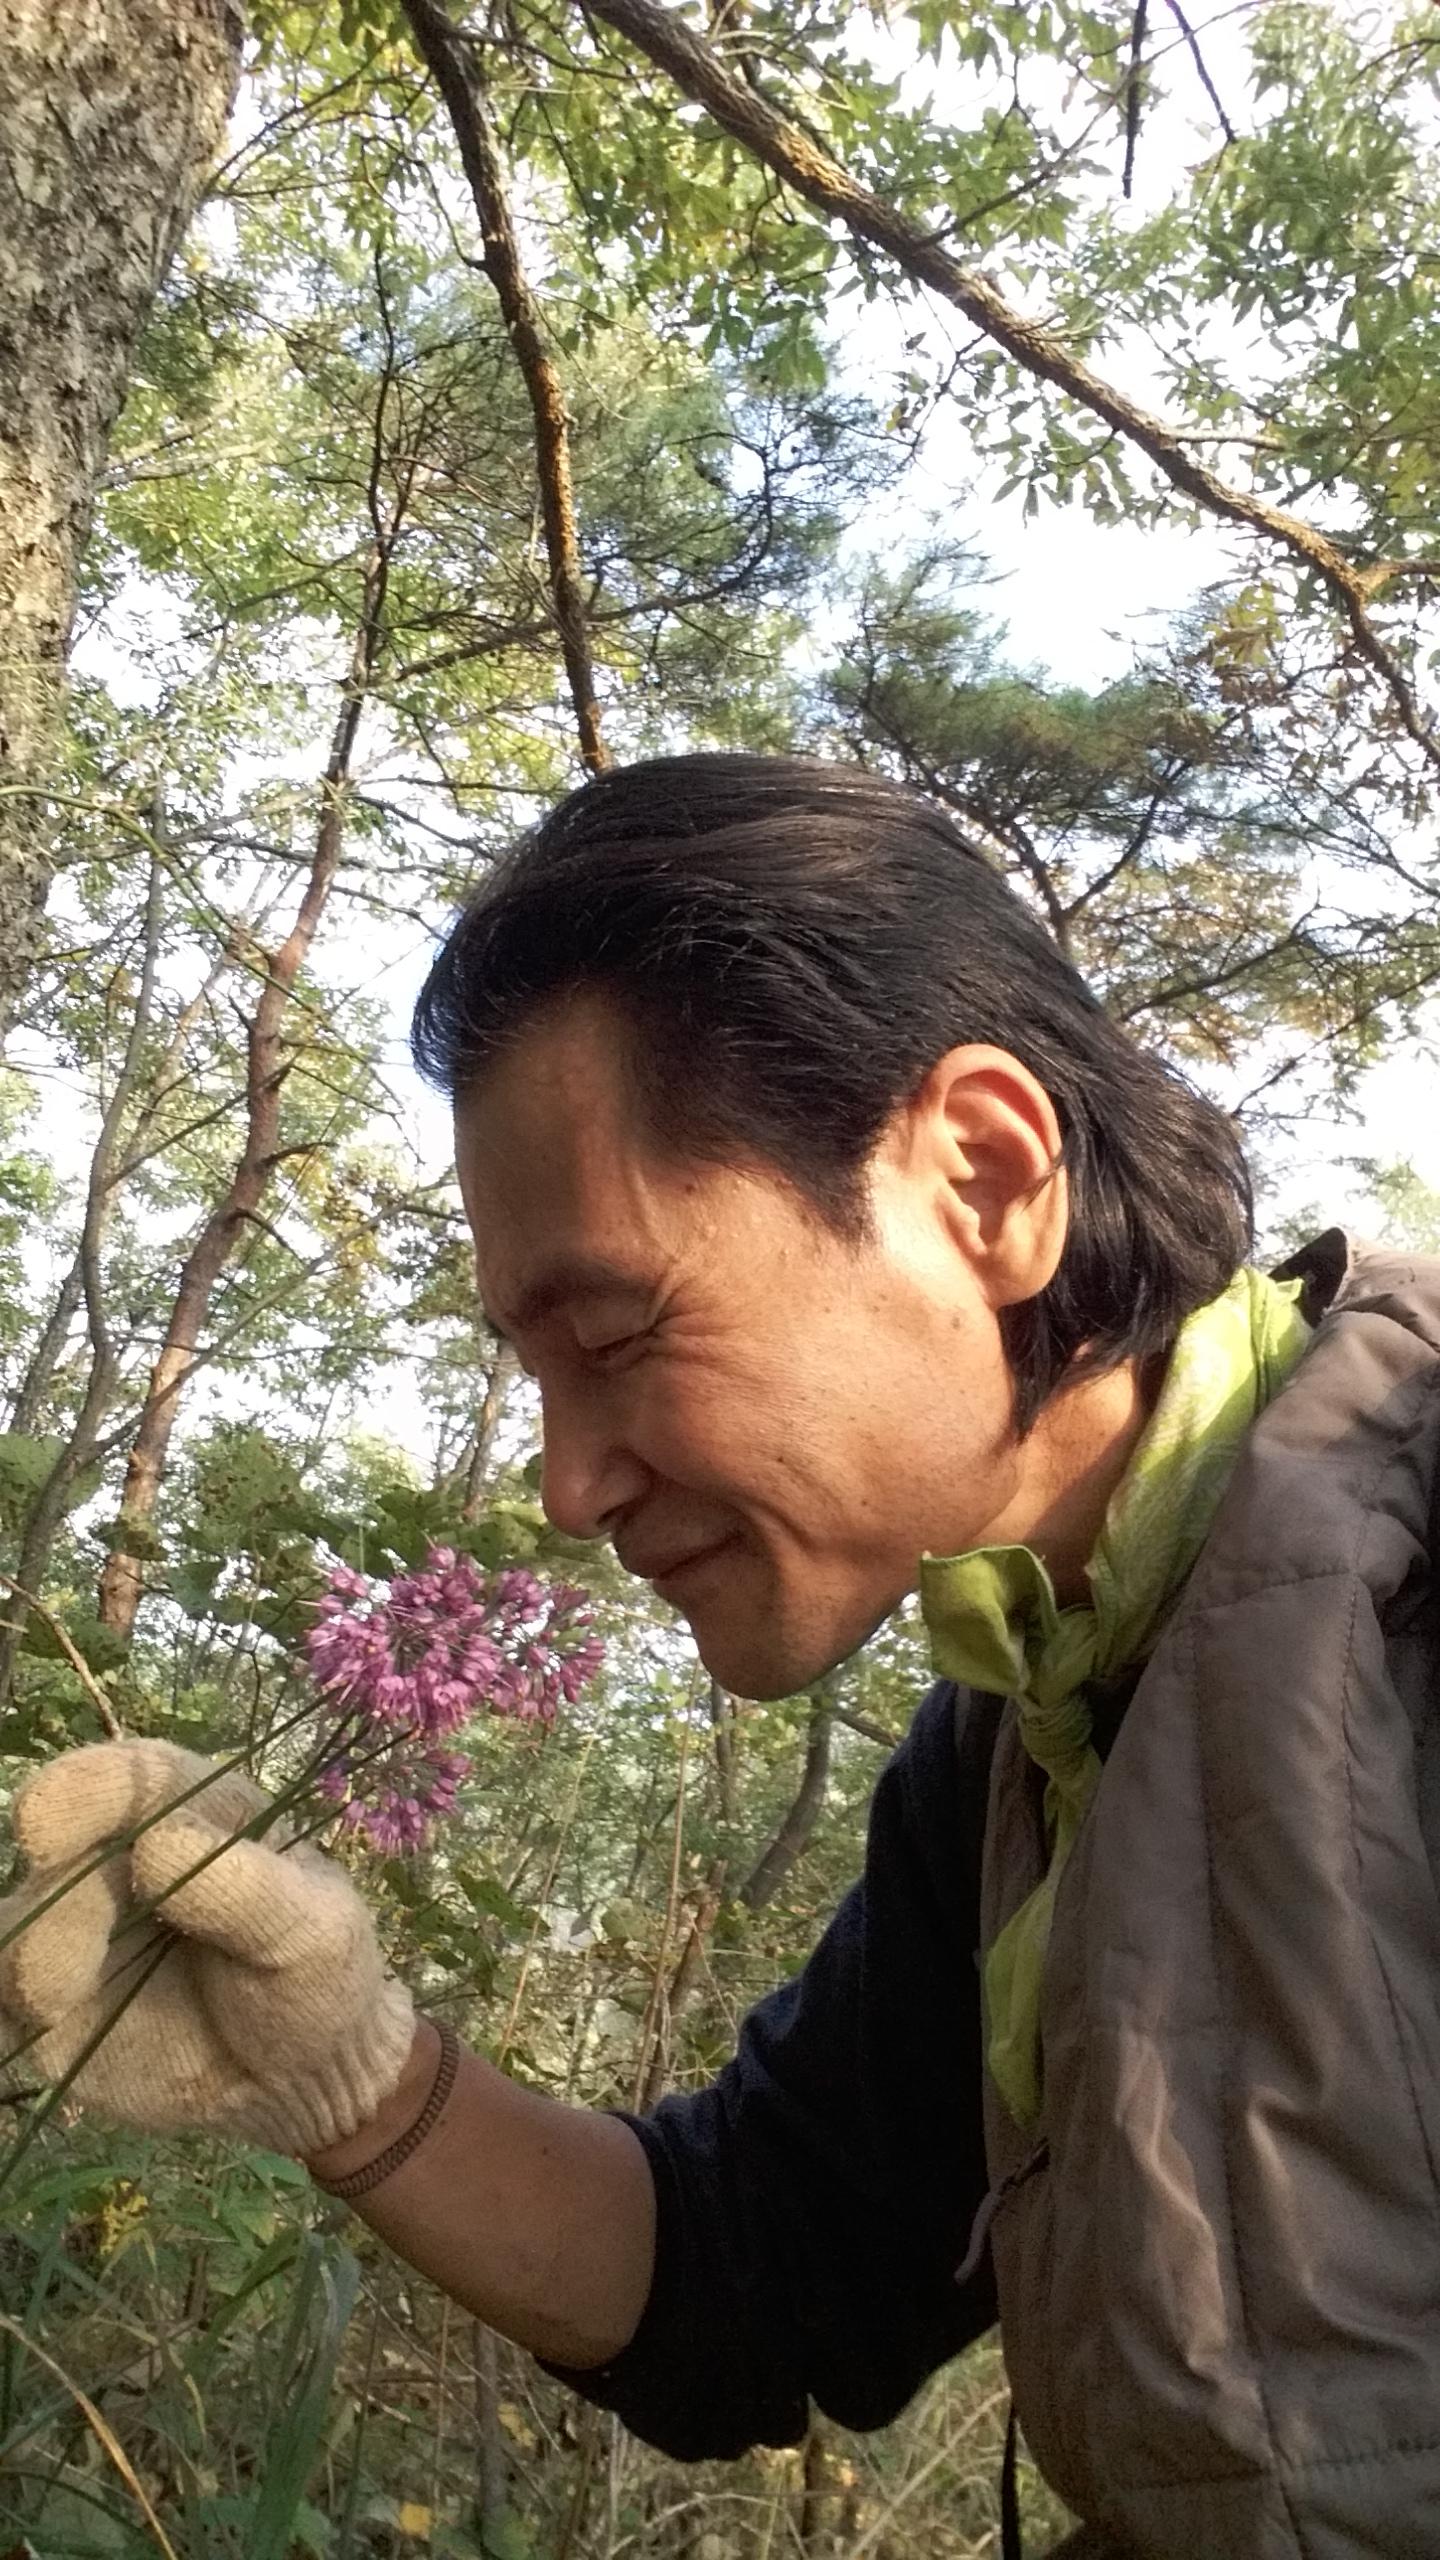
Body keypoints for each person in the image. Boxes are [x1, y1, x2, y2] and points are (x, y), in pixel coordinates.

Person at [4, 754, 1439, 2560]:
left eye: (615, 1335)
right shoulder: (1025, 1733)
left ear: (985, 1180)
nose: (566, 1486)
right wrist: (345, 2070)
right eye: (532, 1376)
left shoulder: (1404, 1553)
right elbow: (761, 2268)